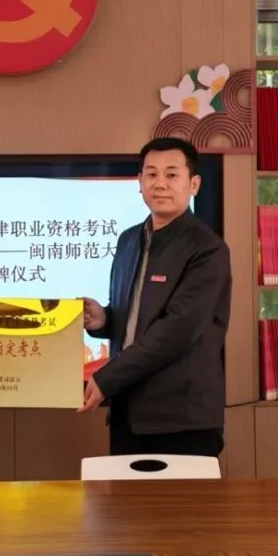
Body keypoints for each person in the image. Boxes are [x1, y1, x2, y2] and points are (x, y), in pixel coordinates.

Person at [79, 137, 231, 457]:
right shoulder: (128, 240)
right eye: (151, 174)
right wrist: (104, 319)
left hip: (181, 420)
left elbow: (176, 332)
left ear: (194, 184)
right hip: (127, 415)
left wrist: (107, 378)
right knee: (124, 493)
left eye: (171, 174)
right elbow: (137, 316)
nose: (160, 183)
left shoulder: (208, 249)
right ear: (140, 182)